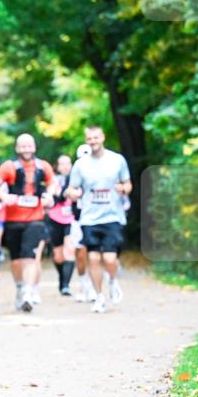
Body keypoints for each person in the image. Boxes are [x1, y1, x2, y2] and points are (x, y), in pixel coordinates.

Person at [0, 133, 57, 313]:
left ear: (34, 147)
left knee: (30, 257)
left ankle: (28, 292)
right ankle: (20, 287)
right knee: (16, 260)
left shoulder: (43, 166)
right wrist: (4, 197)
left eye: (29, 146)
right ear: (17, 148)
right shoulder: (9, 167)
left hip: (35, 219)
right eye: (23, 146)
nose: (26, 149)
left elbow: (53, 183)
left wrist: (49, 195)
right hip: (13, 220)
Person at [67, 126, 131, 313]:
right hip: (89, 218)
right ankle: (99, 296)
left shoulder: (117, 160)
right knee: (93, 258)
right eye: (89, 138)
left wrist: (124, 189)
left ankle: (112, 280)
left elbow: (128, 184)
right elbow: (72, 188)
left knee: (110, 258)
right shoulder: (80, 165)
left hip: (112, 216)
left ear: (102, 137)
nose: (93, 141)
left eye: (95, 137)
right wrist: (73, 193)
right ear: (86, 141)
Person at [45, 154, 76, 295]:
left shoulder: (77, 180)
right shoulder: (53, 181)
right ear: (57, 167)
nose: (65, 167)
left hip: (71, 220)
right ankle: (62, 279)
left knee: (69, 250)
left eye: (68, 163)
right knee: (58, 256)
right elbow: (52, 198)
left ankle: (65, 286)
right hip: (55, 219)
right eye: (62, 164)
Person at [69, 144, 95, 302]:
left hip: (96, 219)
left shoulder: (100, 174)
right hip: (78, 220)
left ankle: (93, 287)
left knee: (94, 253)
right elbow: (69, 192)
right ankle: (83, 285)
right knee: (80, 254)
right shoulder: (74, 175)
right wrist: (74, 193)